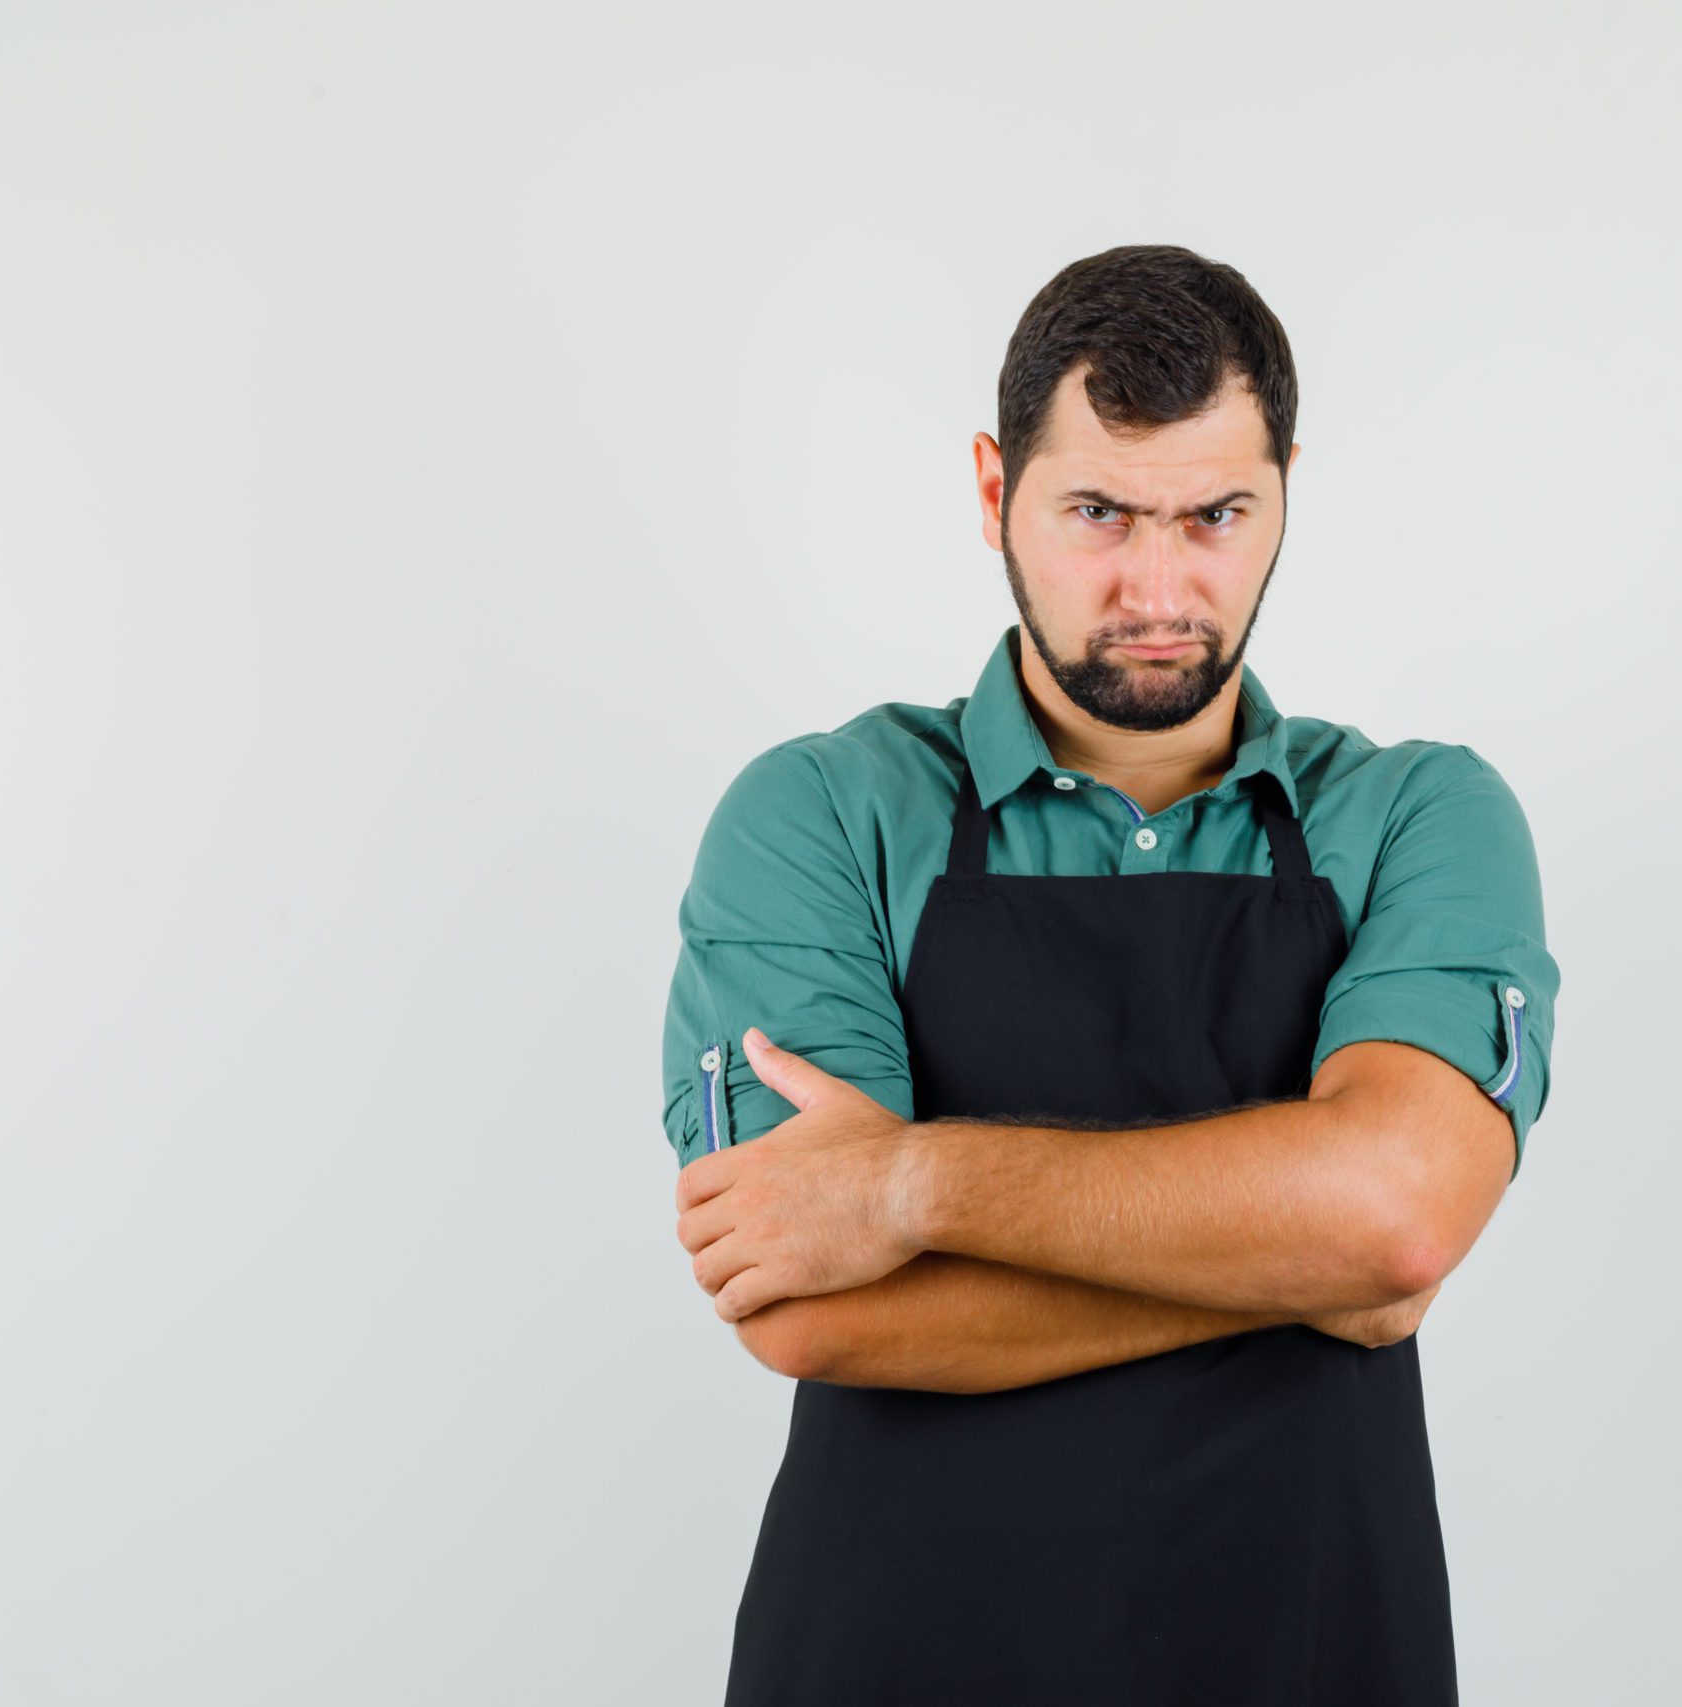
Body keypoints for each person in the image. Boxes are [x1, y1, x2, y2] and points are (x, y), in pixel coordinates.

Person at [658, 243, 1561, 1705]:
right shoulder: (822, 812)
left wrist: (909, 1189)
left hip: (1308, 1654)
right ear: (989, 488)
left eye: (1216, 514)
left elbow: (1394, 1220)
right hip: (898, 1661)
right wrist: (1302, 1255)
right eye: (1096, 512)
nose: (1157, 585)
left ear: (1285, 492)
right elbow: (810, 1307)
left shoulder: (1418, 816)